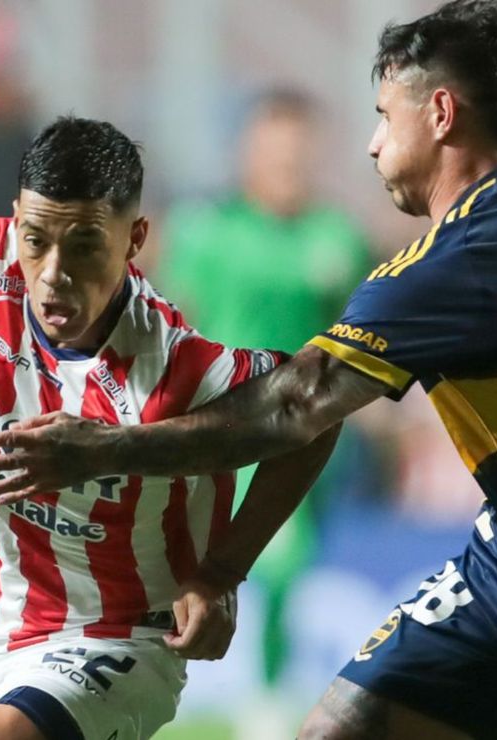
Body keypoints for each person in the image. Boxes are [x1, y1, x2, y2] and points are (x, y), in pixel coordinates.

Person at [0, 2, 497, 739]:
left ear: (440, 115)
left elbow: (292, 407)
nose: (373, 145)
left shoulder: (457, 265)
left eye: (385, 118)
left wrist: (99, 448)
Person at [0, 116, 338, 740]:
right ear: (15, 220)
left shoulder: (175, 363)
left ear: (134, 238)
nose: (54, 271)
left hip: (112, 639)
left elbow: (315, 409)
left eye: (85, 245)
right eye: (36, 240)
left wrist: (221, 573)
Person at [158, 88, 374, 695]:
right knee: (260, 559)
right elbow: (177, 324)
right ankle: (247, 692)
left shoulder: (337, 238)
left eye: (299, 153)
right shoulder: (205, 233)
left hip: (305, 432)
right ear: (248, 153)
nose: (289, 166)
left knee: (286, 564)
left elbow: (360, 341)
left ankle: (262, 693)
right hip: (218, 427)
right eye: (276, 152)